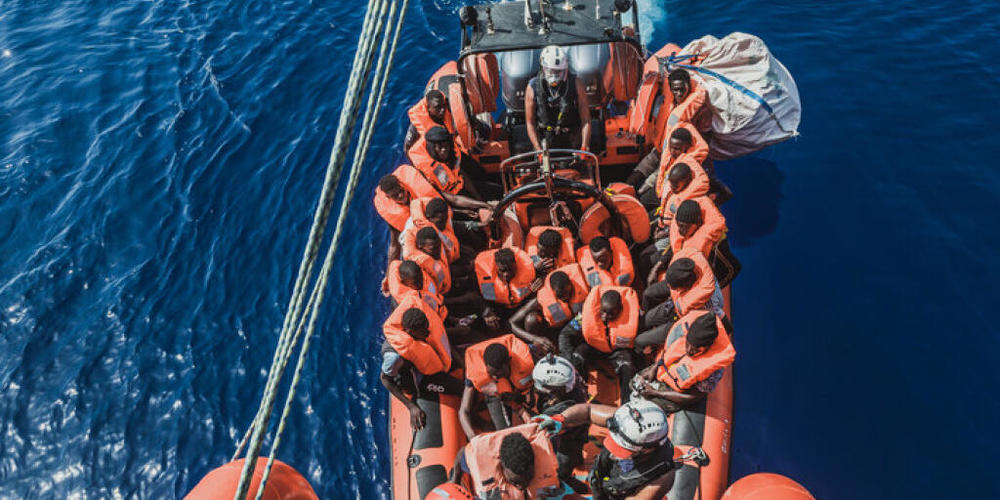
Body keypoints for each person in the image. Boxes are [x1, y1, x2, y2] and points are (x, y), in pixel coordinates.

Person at [539, 400, 676, 499]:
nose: (613, 455)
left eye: (623, 450)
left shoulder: (662, 478)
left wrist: (571, 497)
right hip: (603, 480)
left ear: (647, 450)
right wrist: (560, 419)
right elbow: (588, 411)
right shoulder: (626, 421)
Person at [380, 295, 464, 430]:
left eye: (427, 328)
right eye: (423, 331)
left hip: (428, 362)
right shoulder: (394, 356)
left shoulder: (421, 332)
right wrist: (411, 407)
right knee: (461, 388)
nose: (428, 332)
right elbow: (385, 379)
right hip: (419, 378)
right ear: (409, 332)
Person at [628, 67, 710, 194]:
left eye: (682, 89)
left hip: (673, 155)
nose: (679, 93)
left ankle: (638, 200)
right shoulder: (669, 102)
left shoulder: (699, 111)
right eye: (675, 90)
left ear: (689, 86)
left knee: (645, 188)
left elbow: (704, 140)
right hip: (659, 150)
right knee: (635, 175)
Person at [636, 310, 735, 412]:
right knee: (634, 382)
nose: (689, 351)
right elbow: (668, 352)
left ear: (707, 347)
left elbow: (693, 397)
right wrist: (655, 367)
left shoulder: (713, 372)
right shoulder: (681, 333)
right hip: (665, 371)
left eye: (696, 349)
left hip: (677, 392)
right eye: (687, 345)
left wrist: (656, 393)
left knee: (643, 405)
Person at [558, 285, 640, 400]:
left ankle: (627, 402)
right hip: (593, 348)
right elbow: (565, 334)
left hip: (617, 352)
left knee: (627, 365)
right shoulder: (585, 316)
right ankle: (578, 393)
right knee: (577, 357)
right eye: (603, 311)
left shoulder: (634, 317)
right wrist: (567, 362)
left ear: (620, 309)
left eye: (611, 313)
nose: (605, 317)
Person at [451, 423, 565, 499]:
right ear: (502, 466)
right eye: (515, 482)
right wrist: (454, 480)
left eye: (528, 478)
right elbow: (461, 453)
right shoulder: (477, 458)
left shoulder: (548, 449)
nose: (521, 486)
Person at [529, 355, 590, 493]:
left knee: (562, 469)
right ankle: (578, 460)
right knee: (576, 454)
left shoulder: (567, 404)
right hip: (576, 429)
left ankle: (572, 482)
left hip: (571, 436)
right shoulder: (570, 378)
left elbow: (541, 420)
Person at [460, 335, 536, 439]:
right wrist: (472, 437)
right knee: (504, 434)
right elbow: (463, 410)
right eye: (491, 374)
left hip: (519, 387)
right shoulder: (477, 371)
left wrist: (525, 415)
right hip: (495, 393)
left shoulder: (525, 357)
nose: (495, 377)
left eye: (497, 374)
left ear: (508, 362)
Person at [508, 264, 590, 355]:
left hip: (580, 323)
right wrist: (535, 338)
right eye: (560, 296)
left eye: (568, 293)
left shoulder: (585, 283)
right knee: (531, 319)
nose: (565, 298)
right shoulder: (542, 298)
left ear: (571, 285)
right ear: (552, 291)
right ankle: (540, 350)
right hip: (553, 330)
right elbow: (511, 322)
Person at [525, 45, 591, 151]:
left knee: (585, 165)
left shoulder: (576, 84)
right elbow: (530, 123)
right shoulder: (533, 86)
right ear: (543, 68)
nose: (554, 75)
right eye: (551, 71)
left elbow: (586, 119)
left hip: (572, 140)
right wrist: (538, 149)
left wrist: (585, 146)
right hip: (545, 142)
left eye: (558, 71)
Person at [634, 125, 709, 210]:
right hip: (661, 189)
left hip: (670, 198)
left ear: (687, 147)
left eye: (676, 149)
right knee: (641, 201)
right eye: (671, 147)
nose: (672, 151)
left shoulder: (692, 166)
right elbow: (661, 172)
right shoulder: (670, 154)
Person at [408, 126, 485, 199]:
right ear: (433, 148)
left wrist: (479, 198)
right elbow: (449, 198)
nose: (444, 150)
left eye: (446, 146)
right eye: (440, 147)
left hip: (460, 187)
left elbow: (462, 175)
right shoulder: (424, 169)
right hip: (448, 200)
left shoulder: (452, 151)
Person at [474, 247, 540, 330]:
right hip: (497, 309)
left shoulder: (529, 269)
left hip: (521, 309)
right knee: (480, 321)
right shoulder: (484, 272)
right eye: (502, 270)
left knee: (532, 319)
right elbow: (475, 294)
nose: (506, 274)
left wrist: (540, 283)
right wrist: (487, 312)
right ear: (496, 267)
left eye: (510, 270)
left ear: (516, 265)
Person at [401, 197, 461, 264]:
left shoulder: (442, 216)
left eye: (445, 219)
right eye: (441, 222)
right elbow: (409, 256)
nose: (444, 224)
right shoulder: (412, 230)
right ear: (428, 217)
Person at [382, 259, 447, 319]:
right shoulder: (410, 301)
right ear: (404, 282)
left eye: (420, 278)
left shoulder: (397, 266)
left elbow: (394, 263)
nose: (420, 283)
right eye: (415, 282)